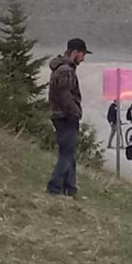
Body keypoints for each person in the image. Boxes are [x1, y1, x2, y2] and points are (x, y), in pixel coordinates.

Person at [46, 38, 89, 197]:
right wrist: (75, 111)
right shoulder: (65, 71)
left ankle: (70, 188)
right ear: (75, 53)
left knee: (69, 153)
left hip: (61, 116)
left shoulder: (62, 68)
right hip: (65, 117)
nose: (83, 59)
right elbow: (64, 95)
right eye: (82, 54)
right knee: (66, 153)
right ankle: (54, 187)